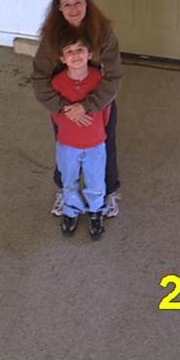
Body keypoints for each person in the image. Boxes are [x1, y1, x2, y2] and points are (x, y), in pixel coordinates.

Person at [32, 0, 122, 217]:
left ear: (87, 5)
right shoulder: (51, 39)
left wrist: (89, 106)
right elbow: (39, 78)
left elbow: (113, 76)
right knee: (65, 149)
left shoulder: (103, 34)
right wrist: (63, 108)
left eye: (78, 2)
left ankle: (108, 192)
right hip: (64, 106)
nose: (73, 9)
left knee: (104, 146)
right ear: (59, 9)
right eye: (67, 4)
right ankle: (65, 191)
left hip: (98, 105)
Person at [49, 30, 111, 239]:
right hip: (67, 143)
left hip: (95, 142)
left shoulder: (98, 79)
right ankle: (71, 209)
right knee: (69, 178)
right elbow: (55, 112)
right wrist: (71, 121)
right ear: (62, 58)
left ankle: (95, 211)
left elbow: (105, 109)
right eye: (69, 51)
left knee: (95, 180)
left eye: (80, 50)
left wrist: (96, 129)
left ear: (90, 54)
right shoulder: (57, 83)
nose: (75, 56)